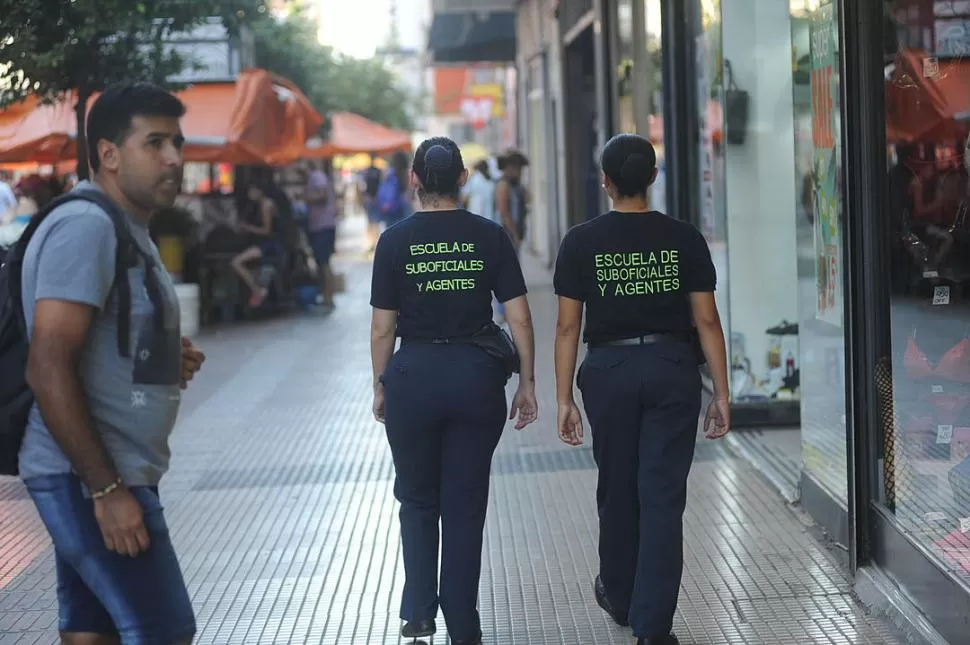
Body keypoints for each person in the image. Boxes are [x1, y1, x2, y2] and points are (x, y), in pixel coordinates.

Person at [18, 81, 205, 645]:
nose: (174, 157)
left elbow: (102, 339)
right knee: (163, 629)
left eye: (177, 142)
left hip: (103, 472)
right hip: (91, 476)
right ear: (108, 153)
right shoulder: (88, 226)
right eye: (155, 143)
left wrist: (162, 357)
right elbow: (47, 366)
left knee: (90, 633)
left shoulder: (126, 227)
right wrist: (106, 492)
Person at [552, 134, 730, 645]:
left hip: (609, 371)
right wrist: (720, 391)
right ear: (652, 178)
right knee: (662, 496)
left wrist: (564, 399)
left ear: (606, 182)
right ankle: (653, 627)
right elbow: (708, 321)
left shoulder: (581, 241)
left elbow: (568, 328)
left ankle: (620, 593)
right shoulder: (684, 238)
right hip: (673, 368)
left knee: (617, 486)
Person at [370, 136, 539, 645]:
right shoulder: (489, 236)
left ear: (415, 181)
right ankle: (463, 624)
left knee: (417, 498)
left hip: (414, 377)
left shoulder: (394, 241)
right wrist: (527, 383)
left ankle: (419, 611)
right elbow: (521, 318)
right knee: (465, 504)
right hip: (474, 378)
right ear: (464, 179)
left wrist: (382, 385)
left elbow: (383, 329)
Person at [230, 178, 279, 309]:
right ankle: (258, 288)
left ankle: (257, 290)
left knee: (236, 262)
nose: (250, 194)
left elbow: (267, 230)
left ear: (259, 191)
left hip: (269, 245)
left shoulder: (266, 205)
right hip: (262, 244)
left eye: (252, 191)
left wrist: (248, 228)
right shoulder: (257, 205)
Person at [305, 159, 338, 310]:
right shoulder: (316, 176)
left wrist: (305, 198)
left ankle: (328, 295)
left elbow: (322, 195)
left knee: (324, 262)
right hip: (321, 225)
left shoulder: (316, 176)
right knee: (322, 261)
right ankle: (326, 294)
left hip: (323, 225)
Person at [494, 149, 529, 249]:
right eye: (517, 168)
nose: (519, 172)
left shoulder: (516, 186)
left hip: (514, 234)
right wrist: (515, 236)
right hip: (507, 236)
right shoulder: (503, 185)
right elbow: (504, 214)